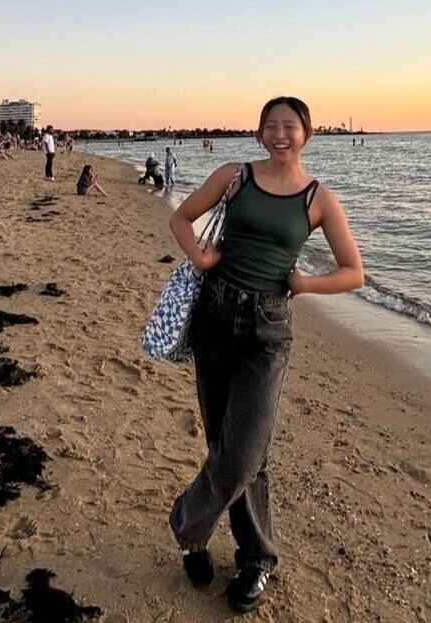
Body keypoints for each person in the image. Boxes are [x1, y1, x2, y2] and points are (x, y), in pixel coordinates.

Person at [166, 96, 364, 613]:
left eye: (290, 126)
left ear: (306, 134)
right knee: (226, 444)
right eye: (271, 126)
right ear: (258, 133)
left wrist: (306, 282)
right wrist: (200, 257)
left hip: (269, 329)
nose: (280, 134)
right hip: (215, 315)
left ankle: (187, 525)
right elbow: (182, 219)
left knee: (244, 454)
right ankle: (255, 559)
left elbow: (354, 272)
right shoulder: (235, 176)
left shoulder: (319, 199)